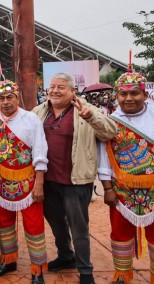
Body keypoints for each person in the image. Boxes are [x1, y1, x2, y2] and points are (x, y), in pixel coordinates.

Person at [33, 72, 117, 284]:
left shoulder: (87, 110)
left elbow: (110, 132)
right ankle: (65, 256)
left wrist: (91, 116)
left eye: (61, 87)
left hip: (77, 180)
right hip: (47, 180)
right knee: (56, 224)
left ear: (73, 91)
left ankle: (86, 270)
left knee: (79, 227)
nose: (54, 90)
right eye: (52, 86)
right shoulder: (38, 112)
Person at [0, 80, 48, 283]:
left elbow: (40, 151)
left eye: (9, 97)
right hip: (1, 183)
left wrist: (39, 182)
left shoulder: (31, 119)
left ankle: (37, 269)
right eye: (1, 98)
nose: (5, 102)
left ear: (17, 97)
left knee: (34, 226)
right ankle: (9, 259)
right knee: (4, 225)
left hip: (29, 182)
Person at [97, 72, 154, 284]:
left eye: (134, 93)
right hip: (121, 190)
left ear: (145, 94)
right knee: (120, 234)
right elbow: (104, 156)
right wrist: (107, 188)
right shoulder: (110, 122)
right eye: (123, 94)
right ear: (116, 96)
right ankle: (122, 275)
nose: (128, 98)